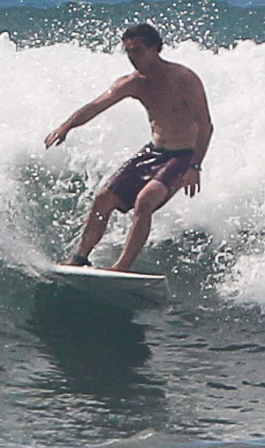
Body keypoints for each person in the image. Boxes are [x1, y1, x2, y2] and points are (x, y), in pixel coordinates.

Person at [45, 23, 213, 272]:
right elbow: (95, 106)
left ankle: (121, 267)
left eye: (137, 50)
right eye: (128, 51)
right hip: (154, 151)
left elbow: (206, 126)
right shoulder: (133, 83)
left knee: (144, 201)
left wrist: (195, 166)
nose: (132, 57)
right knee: (103, 199)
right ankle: (79, 258)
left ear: (154, 49)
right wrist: (66, 126)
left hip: (183, 156)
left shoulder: (184, 79)